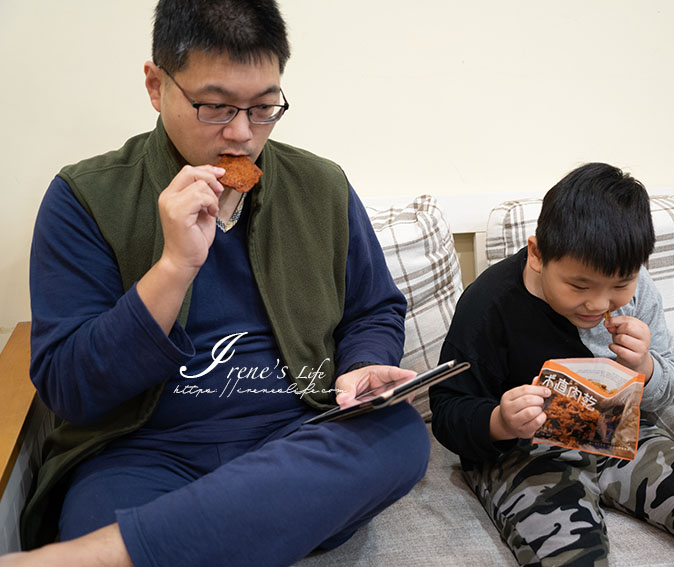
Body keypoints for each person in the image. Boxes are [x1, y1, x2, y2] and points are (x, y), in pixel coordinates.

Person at [1, 1, 430, 565]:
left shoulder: (319, 185)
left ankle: (121, 552)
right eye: (215, 107)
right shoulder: (84, 197)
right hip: (141, 452)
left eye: (263, 107)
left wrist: (363, 364)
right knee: (99, 505)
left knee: (400, 434)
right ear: (156, 86)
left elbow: (373, 309)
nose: (242, 136)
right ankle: (246, 528)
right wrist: (174, 267)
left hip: (293, 434)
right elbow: (69, 388)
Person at [429, 163, 674, 566]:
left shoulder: (640, 291)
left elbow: (666, 388)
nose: (599, 304)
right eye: (579, 286)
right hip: (525, 450)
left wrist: (645, 367)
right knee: (568, 553)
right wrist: (499, 422)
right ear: (537, 254)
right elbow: (448, 407)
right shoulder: (489, 302)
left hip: (623, 433)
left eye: (620, 285)